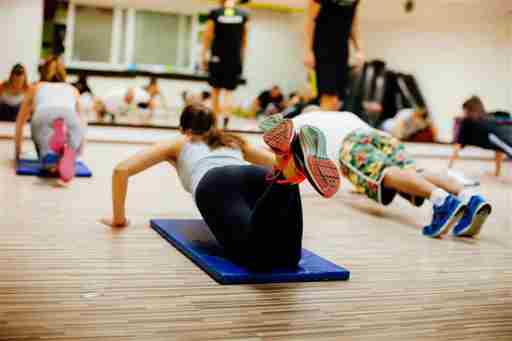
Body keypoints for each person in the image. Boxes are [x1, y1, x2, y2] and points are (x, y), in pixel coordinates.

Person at [102, 104, 340, 271]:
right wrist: (277, 162)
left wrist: (118, 219)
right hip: (260, 175)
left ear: (183, 128)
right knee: (290, 257)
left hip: (216, 182)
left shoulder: (180, 141)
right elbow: (267, 160)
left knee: (253, 258)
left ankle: (288, 170)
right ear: (213, 126)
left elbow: (121, 170)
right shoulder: (232, 140)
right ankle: (289, 166)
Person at [260, 110, 493, 238]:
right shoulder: (341, 114)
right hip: (377, 135)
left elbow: (276, 152)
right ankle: (468, 196)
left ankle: (441, 201)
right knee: (414, 172)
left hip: (348, 146)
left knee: (384, 173)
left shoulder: (299, 125)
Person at [14, 56, 85, 183]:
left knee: (46, 153)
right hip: (69, 116)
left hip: (44, 113)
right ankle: (68, 152)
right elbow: (82, 123)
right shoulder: (72, 89)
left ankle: (50, 159)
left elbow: (20, 123)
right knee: (71, 141)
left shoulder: (36, 87)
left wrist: (18, 153)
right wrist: (79, 152)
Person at [304, 0, 364, 111]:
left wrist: (358, 49)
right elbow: (310, 21)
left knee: (339, 97)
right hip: (323, 48)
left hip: (342, 49)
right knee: (328, 95)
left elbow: (353, 23)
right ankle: (325, 124)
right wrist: (308, 51)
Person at [202, 0, 249, 129]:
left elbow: (207, 35)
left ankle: (215, 121)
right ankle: (226, 119)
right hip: (234, 58)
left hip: (217, 56)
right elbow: (245, 40)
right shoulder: (243, 15)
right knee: (229, 92)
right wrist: (241, 59)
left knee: (216, 90)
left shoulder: (215, 13)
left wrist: (204, 55)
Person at [449, 96, 512, 177]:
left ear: (468, 110)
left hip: (502, 135)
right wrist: (497, 172)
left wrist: (449, 168)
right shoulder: (487, 119)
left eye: (464, 111)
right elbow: (498, 149)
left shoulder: (469, 122)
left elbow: (457, 146)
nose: (463, 113)